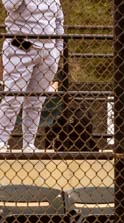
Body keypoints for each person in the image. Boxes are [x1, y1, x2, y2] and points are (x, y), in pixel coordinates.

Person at [0, 0, 64, 152]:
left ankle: (29, 144)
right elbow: (10, 5)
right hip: (20, 48)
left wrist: (58, 49)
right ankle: (1, 141)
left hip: (48, 51)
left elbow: (59, 20)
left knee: (36, 101)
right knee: (13, 98)